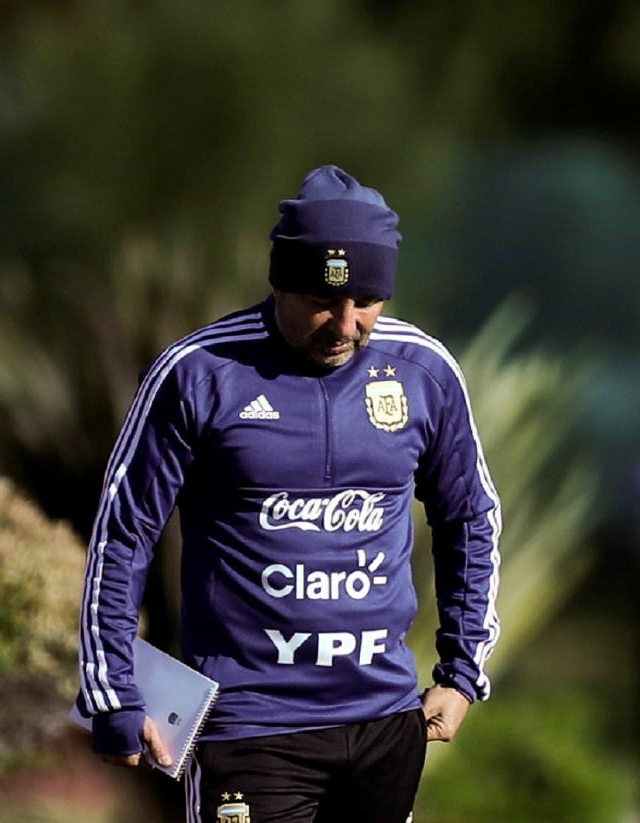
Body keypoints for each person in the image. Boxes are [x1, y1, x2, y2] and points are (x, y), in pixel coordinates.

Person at [77, 165, 501, 822]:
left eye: (366, 301)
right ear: (279, 282)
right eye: (322, 300)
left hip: (384, 722)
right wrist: (111, 689)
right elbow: (123, 531)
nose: (345, 322)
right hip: (249, 724)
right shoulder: (199, 372)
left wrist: (462, 668)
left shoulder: (424, 372)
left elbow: (470, 515)